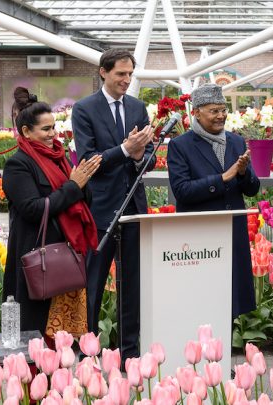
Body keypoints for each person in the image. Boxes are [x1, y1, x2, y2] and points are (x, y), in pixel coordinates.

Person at [72, 48, 155, 361]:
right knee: (92, 284)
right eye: (121, 74)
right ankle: (87, 354)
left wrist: (137, 156)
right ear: (103, 72)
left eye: (130, 74)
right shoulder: (84, 109)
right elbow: (87, 160)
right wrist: (124, 149)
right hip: (101, 211)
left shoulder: (137, 108)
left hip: (134, 209)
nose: (126, 80)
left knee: (132, 285)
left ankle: (130, 353)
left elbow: (149, 157)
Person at [3, 88, 101, 340]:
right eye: (45, 129)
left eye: (54, 127)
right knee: (36, 330)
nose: (53, 134)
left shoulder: (59, 156)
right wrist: (73, 186)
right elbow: (34, 209)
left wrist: (82, 183)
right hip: (37, 256)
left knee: (64, 338)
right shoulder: (19, 164)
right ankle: (34, 378)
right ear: (26, 131)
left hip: (64, 256)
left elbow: (79, 198)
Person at [167, 83, 260, 318]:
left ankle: (224, 352)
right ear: (196, 112)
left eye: (223, 110)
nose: (221, 116)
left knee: (230, 301)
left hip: (231, 233)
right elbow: (182, 191)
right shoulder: (180, 145)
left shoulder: (236, 142)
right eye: (214, 111)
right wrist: (224, 177)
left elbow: (252, 189)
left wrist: (243, 172)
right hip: (200, 236)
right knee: (200, 299)